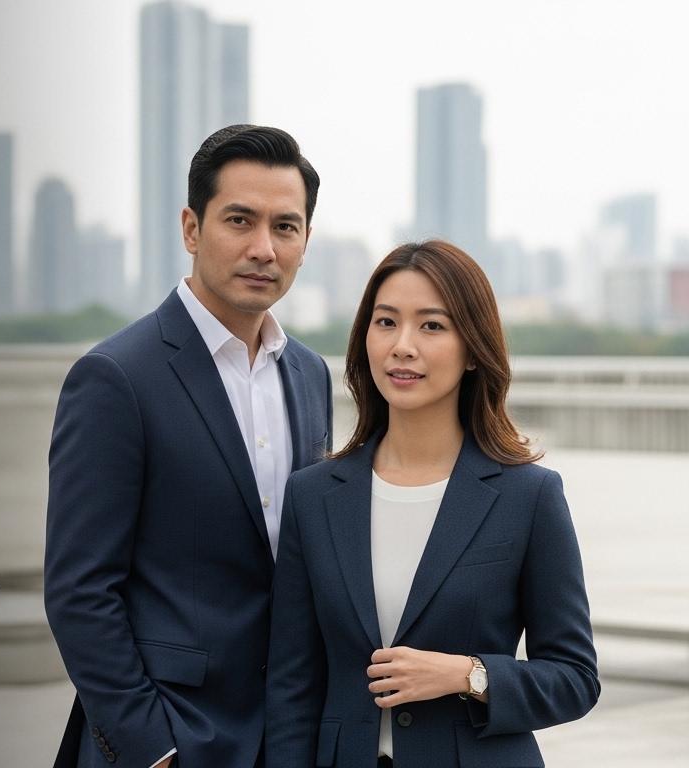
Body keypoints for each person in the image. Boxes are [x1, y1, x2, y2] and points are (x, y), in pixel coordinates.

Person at [45, 124, 333, 768]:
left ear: (306, 242)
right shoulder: (117, 377)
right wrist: (152, 748)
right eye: (240, 220)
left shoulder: (310, 375)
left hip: (287, 736)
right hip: (174, 737)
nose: (264, 247)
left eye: (285, 227)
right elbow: (79, 590)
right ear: (191, 229)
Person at [265, 240, 599, 767]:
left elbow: (576, 678)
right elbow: (291, 685)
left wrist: (468, 675)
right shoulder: (313, 496)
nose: (403, 345)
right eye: (386, 322)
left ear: (472, 350)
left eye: (432, 326)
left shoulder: (529, 496)